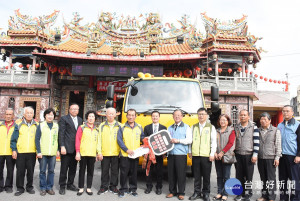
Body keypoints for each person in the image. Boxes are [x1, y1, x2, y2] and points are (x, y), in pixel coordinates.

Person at [188, 108, 217, 201]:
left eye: (203, 114)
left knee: (206, 176)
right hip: (196, 155)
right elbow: (190, 141)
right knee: (196, 176)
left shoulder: (211, 127)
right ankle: (197, 192)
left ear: (206, 116)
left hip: (206, 155)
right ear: (197, 115)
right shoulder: (193, 127)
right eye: (199, 114)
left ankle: (206, 193)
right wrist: (190, 151)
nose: (201, 116)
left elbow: (214, 142)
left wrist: (212, 153)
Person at [10, 106, 38, 196]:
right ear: (24, 114)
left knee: (30, 171)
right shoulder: (18, 124)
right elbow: (14, 139)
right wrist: (14, 150)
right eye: (27, 113)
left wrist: (38, 151)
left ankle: (29, 187)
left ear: (33, 114)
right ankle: (20, 188)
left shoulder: (37, 125)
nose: (29, 114)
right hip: (21, 152)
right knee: (20, 171)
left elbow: (39, 139)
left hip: (32, 152)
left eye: (31, 113)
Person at [117, 109, 145, 198]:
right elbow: (119, 140)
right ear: (126, 116)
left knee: (134, 173)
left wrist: (146, 142)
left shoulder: (139, 127)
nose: (131, 117)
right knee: (124, 173)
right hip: (125, 154)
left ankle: (133, 189)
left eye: (133, 115)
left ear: (135, 116)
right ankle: (123, 189)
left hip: (135, 155)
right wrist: (126, 150)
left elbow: (142, 138)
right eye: (129, 115)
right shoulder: (122, 127)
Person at [166, 109, 192, 200]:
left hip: (181, 154)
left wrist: (178, 141)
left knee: (181, 174)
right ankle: (172, 191)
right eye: (175, 115)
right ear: (173, 116)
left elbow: (189, 140)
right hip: (171, 154)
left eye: (179, 115)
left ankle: (181, 192)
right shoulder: (169, 128)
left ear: (181, 116)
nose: (177, 117)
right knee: (171, 174)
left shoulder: (186, 127)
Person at [234, 110, 259, 201]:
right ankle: (240, 193)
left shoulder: (253, 127)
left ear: (248, 117)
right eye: (241, 115)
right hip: (238, 154)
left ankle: (248, 193)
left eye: (245, 115)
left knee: (248, 176)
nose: (243, 117)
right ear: (239, 117)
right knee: (239, 175)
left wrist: (255, 155)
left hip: (249, 155)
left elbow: (256, 142)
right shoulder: (236, 127)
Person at [58, 103, 83, 195]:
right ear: (69, 109)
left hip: (76, 149)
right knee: (64, 168)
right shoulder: (64, 119)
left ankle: (70, 184)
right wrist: (62, 146)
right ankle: (62, 186)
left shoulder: (80, 119)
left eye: (76, 109)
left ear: (78, 110)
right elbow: (61, 133)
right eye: (72, 109)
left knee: (73, 168)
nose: (74, 111)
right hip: (66, 148)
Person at [256, 112, 281, 201]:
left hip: (271, 158)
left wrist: (277, 157)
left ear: (269, 121)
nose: (263, 121)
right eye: (261, 119)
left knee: (271, 179)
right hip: (260, 157)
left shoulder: (275, 130)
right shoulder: (257, 130)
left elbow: (278, 145)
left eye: (265, 119)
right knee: (263, 178)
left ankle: (271, 197)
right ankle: (264, 196)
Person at [75, 110, 101, 196]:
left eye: (93, 117)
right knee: (82, 171)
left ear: (95, 119)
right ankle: (81, 187)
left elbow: (98, 142)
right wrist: (78, 152)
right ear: (87, 118)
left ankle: (89, 187)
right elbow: (77, 140)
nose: (91, 118)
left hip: (92, 154)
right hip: (83, 153)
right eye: (89, 116)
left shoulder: (96, 130)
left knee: (90, 171)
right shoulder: (82, 127)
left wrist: (97, 153)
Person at [277, 105, 300, 201]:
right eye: (283, 111)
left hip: (293, 156)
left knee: (294, 180)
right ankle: (283, 198)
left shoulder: (297, 125)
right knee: (282, 179)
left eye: (287, 111)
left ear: (292, 113)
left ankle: (295, 198)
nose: (285, 113)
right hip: (282, 156)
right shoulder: (280, 125)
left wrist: (298, 155)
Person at [35, 108, 60, 196]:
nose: (50, 116)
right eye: (48, 114)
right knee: (42, 171)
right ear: (45, 116)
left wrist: (58, 150)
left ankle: (49, 187)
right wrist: (38, 151)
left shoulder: (56, 126)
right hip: (43, 152)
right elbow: (37, 139)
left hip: (53, 152)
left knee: (51, 171)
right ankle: (43, 188)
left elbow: (58, 138)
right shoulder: (41, 125)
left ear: (54, 116)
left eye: (52, 115)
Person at [97, 107, 122, 195]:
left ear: (115, 115)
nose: (110, 115)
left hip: (116, 153)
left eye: (112, 114)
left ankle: (113, 187)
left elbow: (122, 140)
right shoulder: (102, 125)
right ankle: (104, 187)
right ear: (106, 115)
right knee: (104, 171)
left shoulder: (120, 125)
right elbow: (99, 139)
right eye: (109, 114)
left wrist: (120, 151)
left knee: (115, 171)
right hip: (105, 152)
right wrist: (99, 152)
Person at [213, 114, 236, 201]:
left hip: (226, 156)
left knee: (226, 176)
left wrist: (222, 152)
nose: (222, 121)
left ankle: (225, 194)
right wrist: (215, 152)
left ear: (228, 121)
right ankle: (219, 192)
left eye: (224, 120)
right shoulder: (216, 131)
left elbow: (230, 143)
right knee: (219, 175)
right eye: (221, 120)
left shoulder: (231, 130)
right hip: (217, 156)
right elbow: (213, 142)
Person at [144, 111, 167, 195]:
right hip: (149, 153)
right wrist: (145, 139)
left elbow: (166, 142)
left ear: (159, 117)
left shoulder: (163, 128)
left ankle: (159, 187)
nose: (155, 118)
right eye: (153, 116)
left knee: (159, 172)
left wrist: (165, 153)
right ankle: (149, 187)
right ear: (151, 117)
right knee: (148, 171)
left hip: (159, 154)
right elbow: (143, 140)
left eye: (156, 116)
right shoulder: (147, 128)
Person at [0, 108, 16, 193]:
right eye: (7, 114)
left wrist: (15, 150)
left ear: (13, 116)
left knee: (10, 170)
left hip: (10, 152)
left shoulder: (16, 126)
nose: (8, 116)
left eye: (10, 114)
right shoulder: (0, 125)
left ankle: (8, 186)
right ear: (4, 115)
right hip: (0, 151)